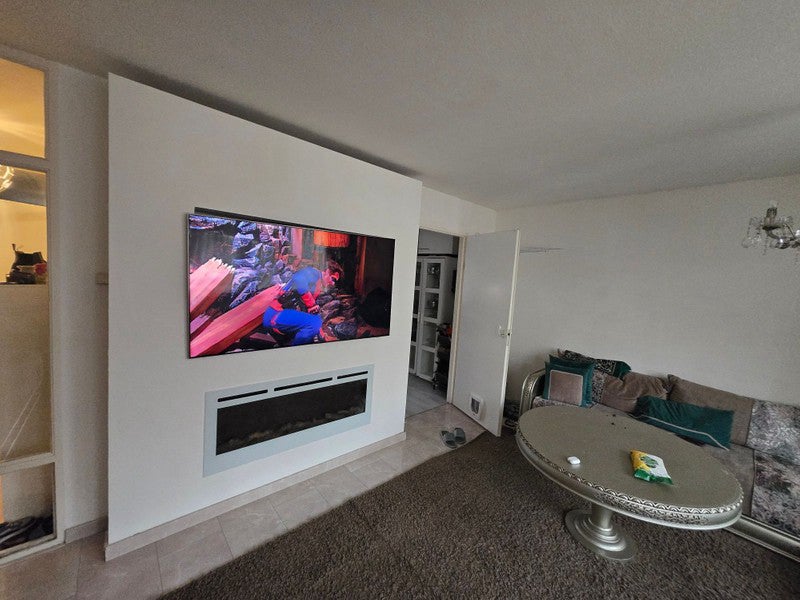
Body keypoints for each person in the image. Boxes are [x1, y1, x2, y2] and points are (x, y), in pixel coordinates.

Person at [262, 260, 343, 346]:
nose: (332, 283)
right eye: (332, 279)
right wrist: (311, 304)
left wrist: (323, 336)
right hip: (276, 315)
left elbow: (312, 313)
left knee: (314, 323)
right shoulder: (314, 273)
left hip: (281, 318)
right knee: (314, 323)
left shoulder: (316, 285)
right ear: (326, 271)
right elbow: (298, 279)